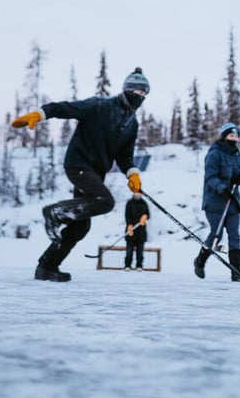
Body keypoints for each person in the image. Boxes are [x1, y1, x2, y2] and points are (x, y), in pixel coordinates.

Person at [12, 68, 148, 282]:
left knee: (80, 226)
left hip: (97, 172)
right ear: (127, 90)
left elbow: (124, 156)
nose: (140, 96)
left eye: (144, 93)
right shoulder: (100, 105)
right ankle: (56, 212)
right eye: (137, 91)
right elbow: (63, 108)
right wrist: (39, 114)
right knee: (104, 201)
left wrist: (132, 174)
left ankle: (47, 266)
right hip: (79, 164)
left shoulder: (132, 123)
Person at [195, 122, 240, 281]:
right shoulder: (214, 154)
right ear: (224, 137)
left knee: (235, 236)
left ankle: (236, 271)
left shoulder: (237, 156)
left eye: (236, 136)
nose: (234, 139)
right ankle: (200, 260)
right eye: (231, 135)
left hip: (232, 202)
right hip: (215, 202)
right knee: (216, 235)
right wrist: (222, 188)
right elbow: (210, 177)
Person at [123, 192, 150, 270]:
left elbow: (148, 214)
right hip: (131, 230)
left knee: (140, 251)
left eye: (139, 194)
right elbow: (127, 215)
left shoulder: (144, 203)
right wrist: (129, 224)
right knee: (129, 250)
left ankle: (139, 265)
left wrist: (145, 217)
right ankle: (127, 265)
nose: (138, 195)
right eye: (136, 194)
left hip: (141, 231)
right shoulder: (130, 203)